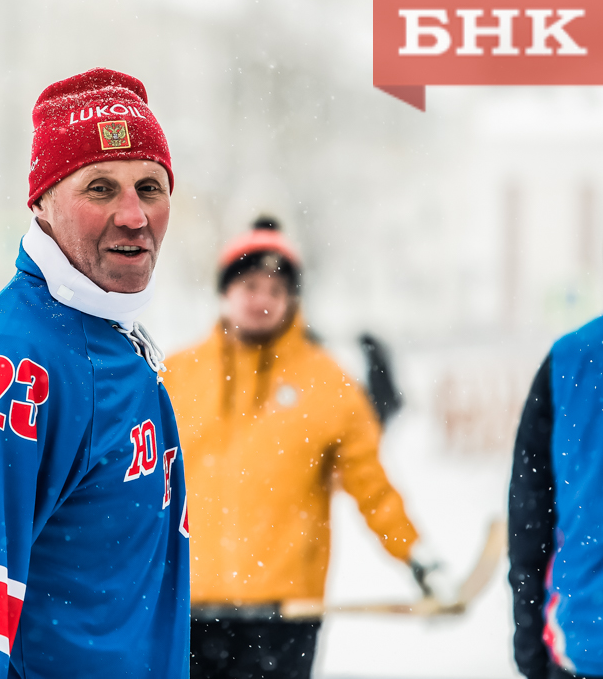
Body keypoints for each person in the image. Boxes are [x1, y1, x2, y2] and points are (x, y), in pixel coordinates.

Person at [0, 68, 190, 679]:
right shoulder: (20, 363)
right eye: (101, 188)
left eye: (151, 187)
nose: (134, 216)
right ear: (41, 202)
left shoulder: (109, 332)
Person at [166, 217, 449, 679]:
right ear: (225, 291)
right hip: (189, 612)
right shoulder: (176, 376)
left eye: (276, 291)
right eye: (251, 285)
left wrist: (418, 558)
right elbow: (136, 484)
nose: (262, 300)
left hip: (286, 618)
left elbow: (372, 487)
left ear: (292, 300)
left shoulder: (327, 384)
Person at [508, 195, 603, 679]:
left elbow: (530, 519)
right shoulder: (570, 361)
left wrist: (531, 646)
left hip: (588, 641)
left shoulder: (572, 360)